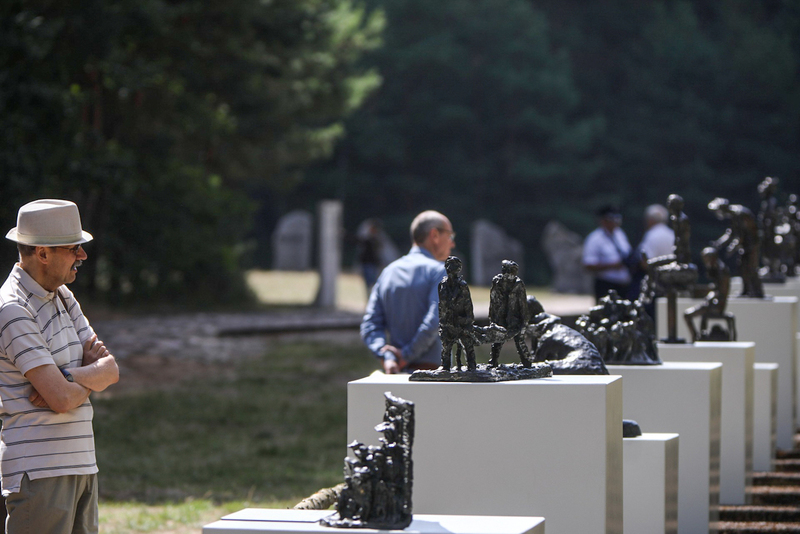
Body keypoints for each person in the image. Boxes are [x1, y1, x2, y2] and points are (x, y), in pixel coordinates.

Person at [0, 199, 119, 534]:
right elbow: (62, 400)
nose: (81, 256)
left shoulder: (64, 296)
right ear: (43, 253)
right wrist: (86, 378)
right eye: (73, 248)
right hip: (39, 474)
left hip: (82, 466)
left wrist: (67, 377)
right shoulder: (12, 309)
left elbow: (111, 370)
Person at [360, 210, 455, 374]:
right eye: (450, 236)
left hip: (395, 372)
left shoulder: (388, 272)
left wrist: (387, 356)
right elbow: (435, 321)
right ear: (434, 235)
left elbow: (370, 324)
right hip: (433, 375)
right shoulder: (439, 272)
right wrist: (407, 354)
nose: (452, 243)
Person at [582, 206, 633, 302]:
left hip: (624, 284)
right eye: (611, 219)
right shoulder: (594, 239)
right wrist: (613, 265)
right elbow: (588, 264)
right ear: (603, 221)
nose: (615, 222)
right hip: (606, 284)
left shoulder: (620, 234)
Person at [438, 256, 476, 371]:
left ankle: (471, 367)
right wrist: (442, 322)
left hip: (461, 321)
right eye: (448, 266)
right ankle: (445, 367)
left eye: (453, 267)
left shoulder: (462, 286)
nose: (450, 269)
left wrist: (467, 321)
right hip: (448, 322)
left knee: (468, 346)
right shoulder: (442, 285)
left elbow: (468, 306)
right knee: (446, 347)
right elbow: (441, 305)